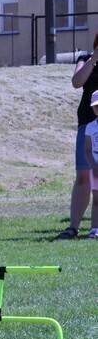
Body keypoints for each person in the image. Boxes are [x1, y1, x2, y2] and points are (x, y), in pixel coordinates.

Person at [56, 36, 98, 239]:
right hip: (88, 124)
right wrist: (93, 59)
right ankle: (73, 227)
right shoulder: (85, 58)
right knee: (83, 176)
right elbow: (76, 82)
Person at [82, 89, 98, 239]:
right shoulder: (90, 127)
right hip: (96, 170)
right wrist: (93, 166)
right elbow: (87, 150)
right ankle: (95, 230)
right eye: (96, 106)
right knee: (97, 200)